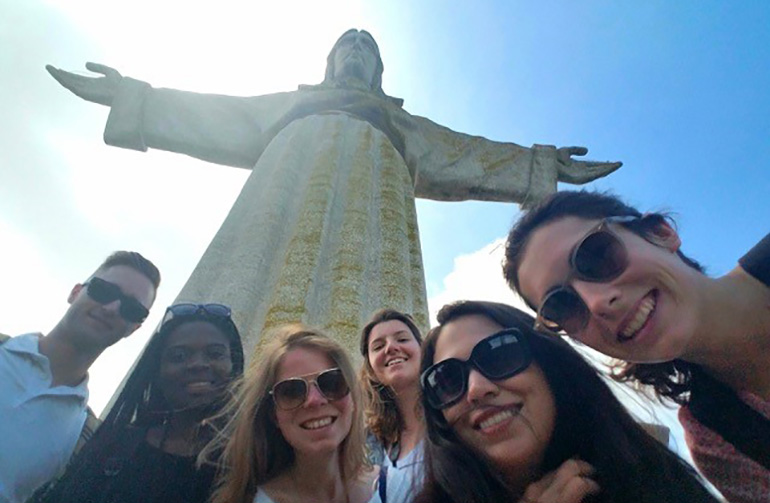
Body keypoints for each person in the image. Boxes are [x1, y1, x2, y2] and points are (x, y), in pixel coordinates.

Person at [45, 29, 620, 351]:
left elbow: (468, 154)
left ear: (377, 72)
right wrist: (135, 98)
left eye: (365, 51)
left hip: (377, 196)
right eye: (347, 47)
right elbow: (214, 115)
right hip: (285, 182)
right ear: (329, 61)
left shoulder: (400, 126)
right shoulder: (291, 106)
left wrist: (542, 166)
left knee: (368, 315)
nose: (354, 55)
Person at [502, 190, 770, 502]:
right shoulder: (717, 438)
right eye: (562, 306)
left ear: (661, 233)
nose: (596, 302)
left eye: (596, 255)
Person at [415, 300, 719, 503]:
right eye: (447, 380)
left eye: (500, 353)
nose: (476, 389)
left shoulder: (659, 483)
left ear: (550, 365)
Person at [30, 303, 244, 503]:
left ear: (234, 366)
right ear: (157, 373)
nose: (198, 364)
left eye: (215, 354)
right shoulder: (113, 447)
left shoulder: (254, 460)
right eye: (178, 356)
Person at [0, 251, 160, 503]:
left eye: (131, 309)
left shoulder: (86, 439)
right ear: (75, 292)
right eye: (104, 290)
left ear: (134, 328)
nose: (112, 308)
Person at [201, 324, 376, 503]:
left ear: (353, 396)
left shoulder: (391, 486)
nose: (315, 400)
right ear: (273, 414)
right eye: (291, 391)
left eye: (331, 383)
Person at [359, 309, 425, 502]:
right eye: (378, 346)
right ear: (370, 368)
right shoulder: (369, 444)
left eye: (402, 339)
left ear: (423, 350)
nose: (391, 348)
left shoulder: (455, 418)